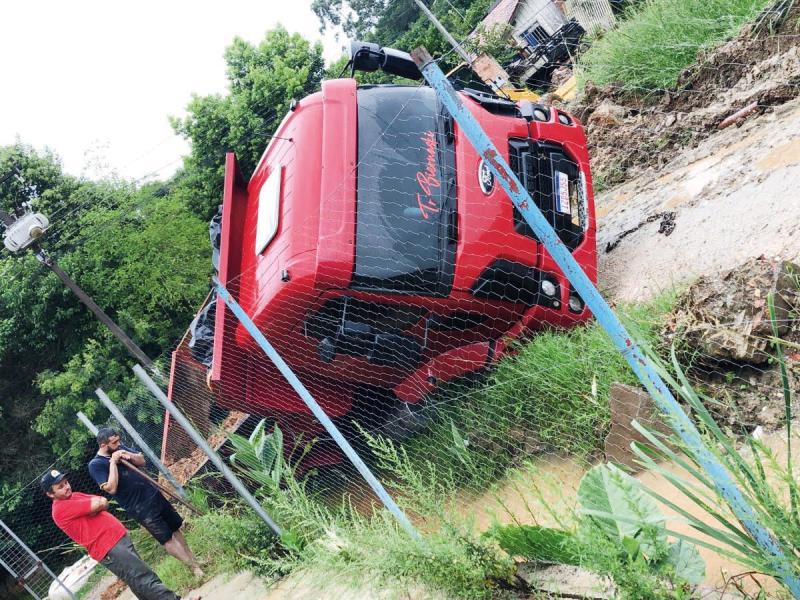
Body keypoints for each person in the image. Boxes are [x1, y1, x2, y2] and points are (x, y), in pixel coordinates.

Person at [43, 469, 182, 600]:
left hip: (116, 541)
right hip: (108, 547)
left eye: (66, 482)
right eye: (60, 487)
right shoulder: (60, 508)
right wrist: (96, 506)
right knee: (143, 577)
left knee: (136, 581)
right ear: (50, 494)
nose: (66, 487)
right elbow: (97, 503)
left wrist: (96, 506)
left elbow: (103, 501)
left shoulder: (75, 496)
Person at [88, 428, 203, 577]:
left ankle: (194, 561)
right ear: (103, 445)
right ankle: (194, 568)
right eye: (114, 442)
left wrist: (127, 454)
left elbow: (141, 460)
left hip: (153, 494)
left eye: (118, 440)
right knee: (166, 537)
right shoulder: (95, 465)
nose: (119, 443)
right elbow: (110, 488)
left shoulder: (120, 448)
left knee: (175, 528)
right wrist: (113, 463)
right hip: (139, 508)